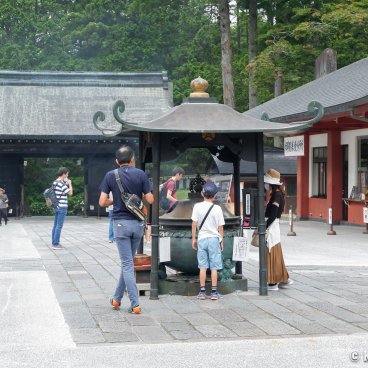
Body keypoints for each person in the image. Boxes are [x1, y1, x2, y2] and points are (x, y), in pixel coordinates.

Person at [99, 145, 154, 314]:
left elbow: (102, 202)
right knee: (128, 263)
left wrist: (116, 202)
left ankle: (135, 304)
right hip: (137, 224)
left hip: (120, 224)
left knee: (127, 264)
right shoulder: (141, 174)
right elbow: (150, 199)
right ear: (133, 159)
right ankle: (116, 299)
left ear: (117, 161)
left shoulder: (110, 175)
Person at [191, 181, 225, 300]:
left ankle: (202, 292)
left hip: (202, 239)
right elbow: (220, 227)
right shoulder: (217, 209)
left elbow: (194, 224)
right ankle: (214, 293)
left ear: (202, 193)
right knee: (214, 267)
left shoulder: (197, 206)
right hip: (214, 239)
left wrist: (194, 239)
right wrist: (221, 241)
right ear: (215, 195)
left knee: (202, 267)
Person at [264, 168, 293, 291]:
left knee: (272, 253)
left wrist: (263, 227)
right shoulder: (277, 194)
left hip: (272, 227)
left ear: (271, 183)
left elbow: (273, 215)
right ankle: (282, 279)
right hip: (274, 227)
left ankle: (273, 282)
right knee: (276, 253)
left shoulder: (276, 195)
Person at [51, 167, 73, 249]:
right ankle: (56, 244)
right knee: (59, 226)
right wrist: (70, 184)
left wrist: (65, 182)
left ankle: (54, 242)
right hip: (62, 207)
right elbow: (70, 193)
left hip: (56, 206)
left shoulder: (55, 182)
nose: (67, 176)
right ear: (63, 174)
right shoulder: (62, 184)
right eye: (67, 174)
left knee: (55, 225)